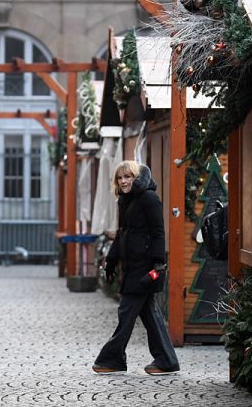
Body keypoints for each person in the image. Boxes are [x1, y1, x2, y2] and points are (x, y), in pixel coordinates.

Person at [93, 160, 180, 375]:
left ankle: (111, 359)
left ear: (135, 177)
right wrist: (111, 261)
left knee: (126, 311)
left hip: (145, 267)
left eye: (127, 177)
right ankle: (166, 360)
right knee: (150, 314)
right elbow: (123, 233)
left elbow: (159, 232)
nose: (123, 181)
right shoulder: (125, 200)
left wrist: (158, 263)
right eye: (120, 178)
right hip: (132, 266)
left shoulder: (149, 198)